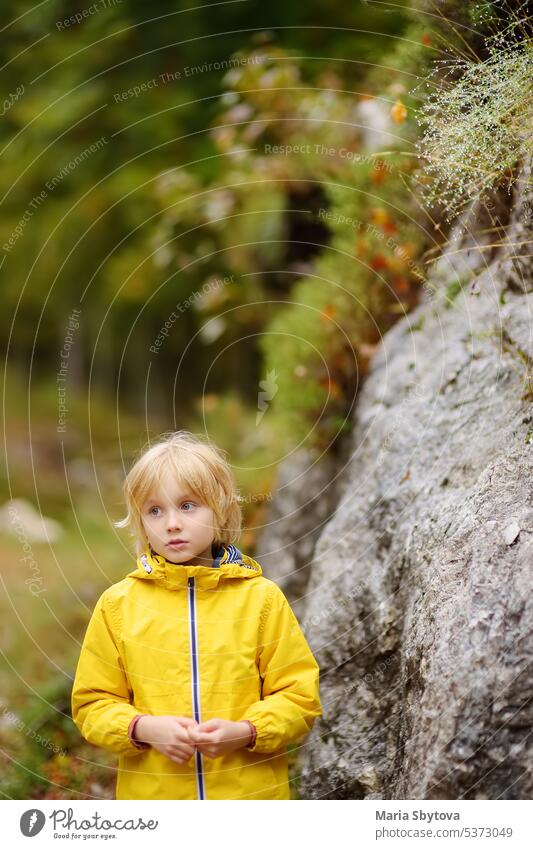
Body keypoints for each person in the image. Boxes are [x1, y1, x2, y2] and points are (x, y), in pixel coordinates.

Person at [71, 430, 322, 800]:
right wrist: (143, 727)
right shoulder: (118, 606)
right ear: (141, 522)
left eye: (188, 505)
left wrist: (248, 731)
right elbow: (92, 704)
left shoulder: (261, 601)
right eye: (154, 510)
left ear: (219, 508)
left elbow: (300, 698)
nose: (171, 523)